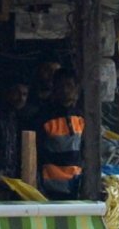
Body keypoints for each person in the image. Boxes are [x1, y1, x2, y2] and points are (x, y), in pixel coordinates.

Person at [33, 72, 86, 200]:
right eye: (61, 86)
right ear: (54, 88)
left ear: (76, 89)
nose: (65, 90)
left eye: (69, 85)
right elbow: (36, 153)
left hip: (77, 186)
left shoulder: (81, 117)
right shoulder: (44, 117)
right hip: (50, 189)